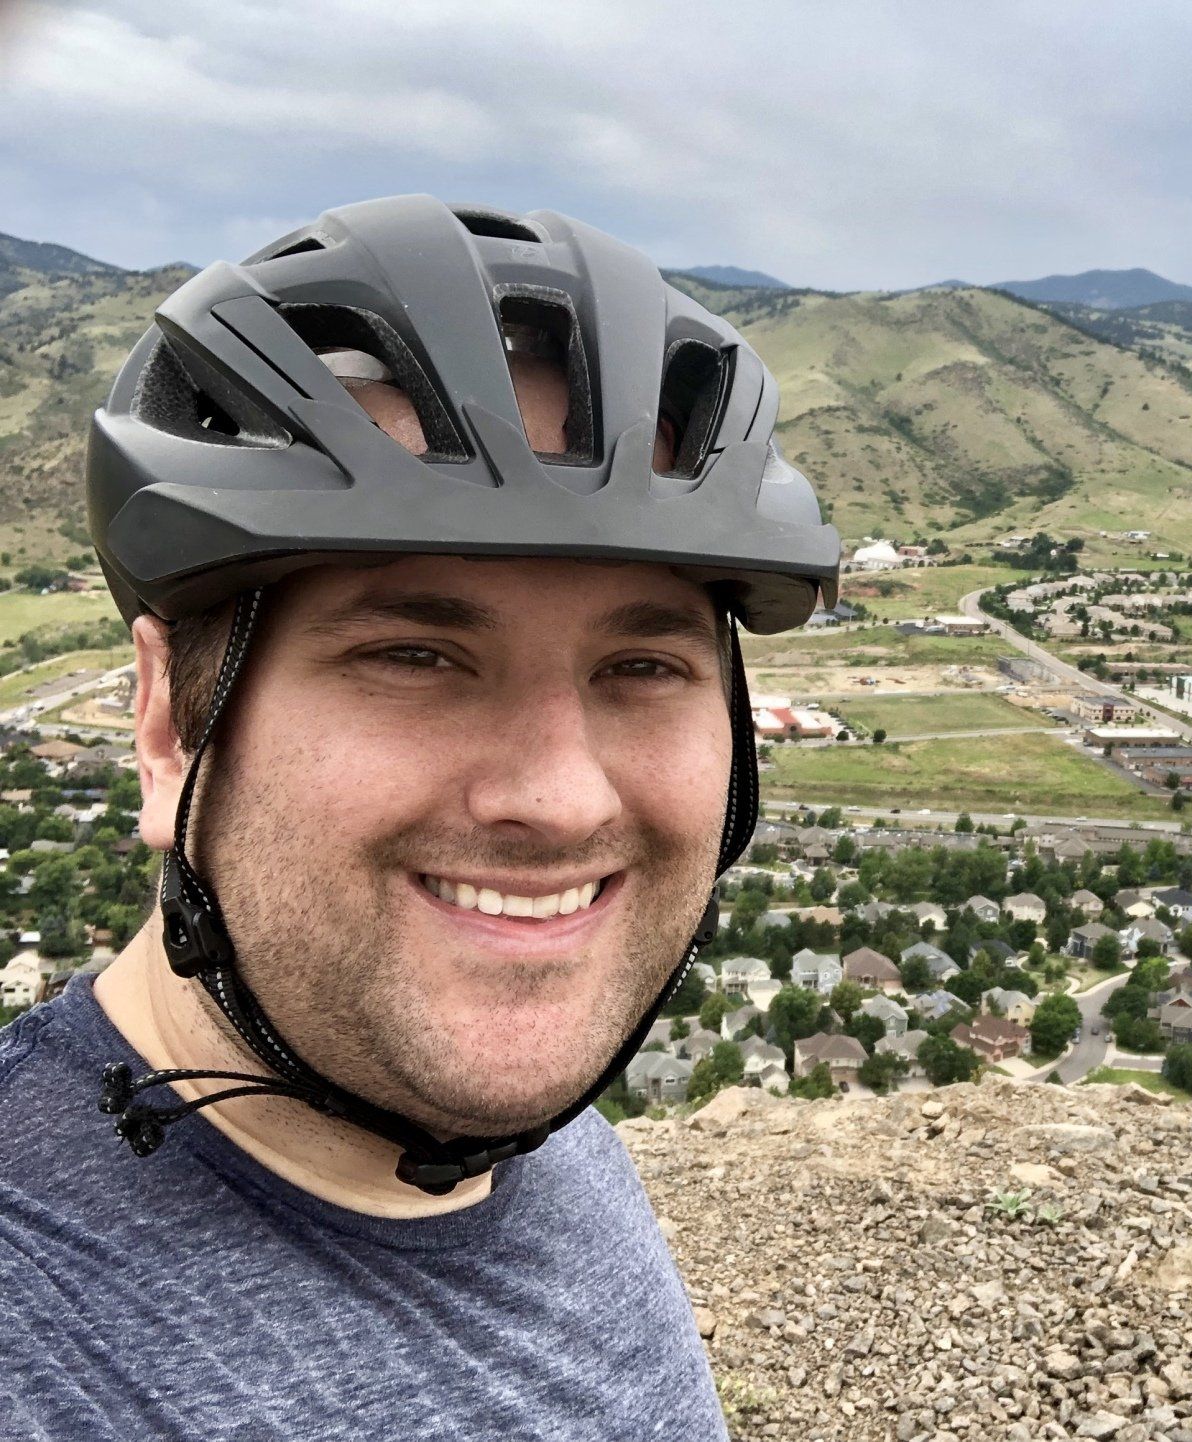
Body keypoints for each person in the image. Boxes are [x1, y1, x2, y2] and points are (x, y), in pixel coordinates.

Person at [0, 195, 840, 1438]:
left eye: (643, 667)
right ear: (171, 725)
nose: (557, 799)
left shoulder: (540, 1137)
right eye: (416, 656)